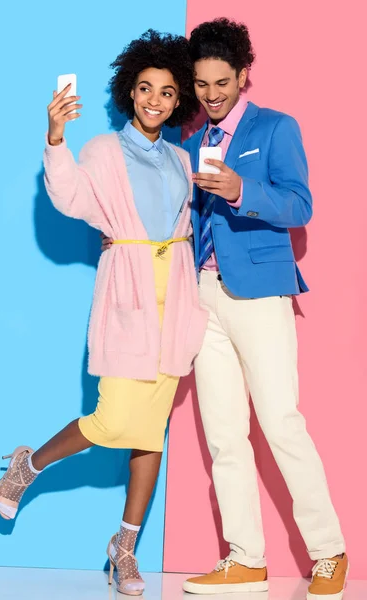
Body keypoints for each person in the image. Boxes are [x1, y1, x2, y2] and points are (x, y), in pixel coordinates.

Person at [0, 30, 207, 597]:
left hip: (177, 294)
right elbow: (69, 199)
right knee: (114, 420)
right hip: (131, 290)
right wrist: (56, 137)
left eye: (166, 91)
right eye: (144, 89)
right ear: (129, 92)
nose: (155, 100)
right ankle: (27, 465)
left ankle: (125, 549)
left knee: (151, 433)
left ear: (177, 97)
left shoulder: (184, 160)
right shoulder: (105, 151)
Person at [180, 19, 348, 600]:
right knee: (224, 435)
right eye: (201, 84)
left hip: (261, 294)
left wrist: (240, 191)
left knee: (280, 423)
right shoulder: (189, 142)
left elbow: (300, 204)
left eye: (221, 81)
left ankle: (329, 552)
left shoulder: (276, 129)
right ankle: (246, 558)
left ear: (244, 74)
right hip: (205, 297)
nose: (211, 94)